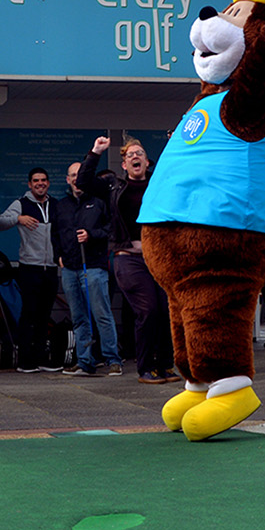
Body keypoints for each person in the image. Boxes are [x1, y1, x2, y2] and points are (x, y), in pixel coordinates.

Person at [112, 141, 178, 384]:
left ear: (148, 162)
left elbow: (175, 171)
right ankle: (145, 368)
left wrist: (172, 142)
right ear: (124, 164)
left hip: (158, 258)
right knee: (147, 310)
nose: (135, 157)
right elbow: (85, 182)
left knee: (165, 311)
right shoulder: (116, 188)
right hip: (128, 259)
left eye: (140, 153)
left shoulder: (158, 184)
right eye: (130, 155)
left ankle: (165, 365)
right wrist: (95, 152)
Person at [55, 138, 121, 376]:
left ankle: (113, 359)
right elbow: (55, 234)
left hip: (93, 265)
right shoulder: (61, 205)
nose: (76, 179)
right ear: (67, 179)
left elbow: (111, 231)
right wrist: (58, 256)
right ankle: (85, 361)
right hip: (70, 267)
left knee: (101, 313)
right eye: (72, 175)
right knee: (79, 316)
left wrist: (92, 235)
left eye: (79, 174)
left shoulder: (99, 201)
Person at [0, 168, 64, 372]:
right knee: (28, 315)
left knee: (45, 315)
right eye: (36, 181)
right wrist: (18, 219)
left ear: (48, 183)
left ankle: (42, 358)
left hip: (51, 268)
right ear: (29, 184)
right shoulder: (21, 204)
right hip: (29, 268)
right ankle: (26, 361)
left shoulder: (56, 205)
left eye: (43, 180)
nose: (40, 184)